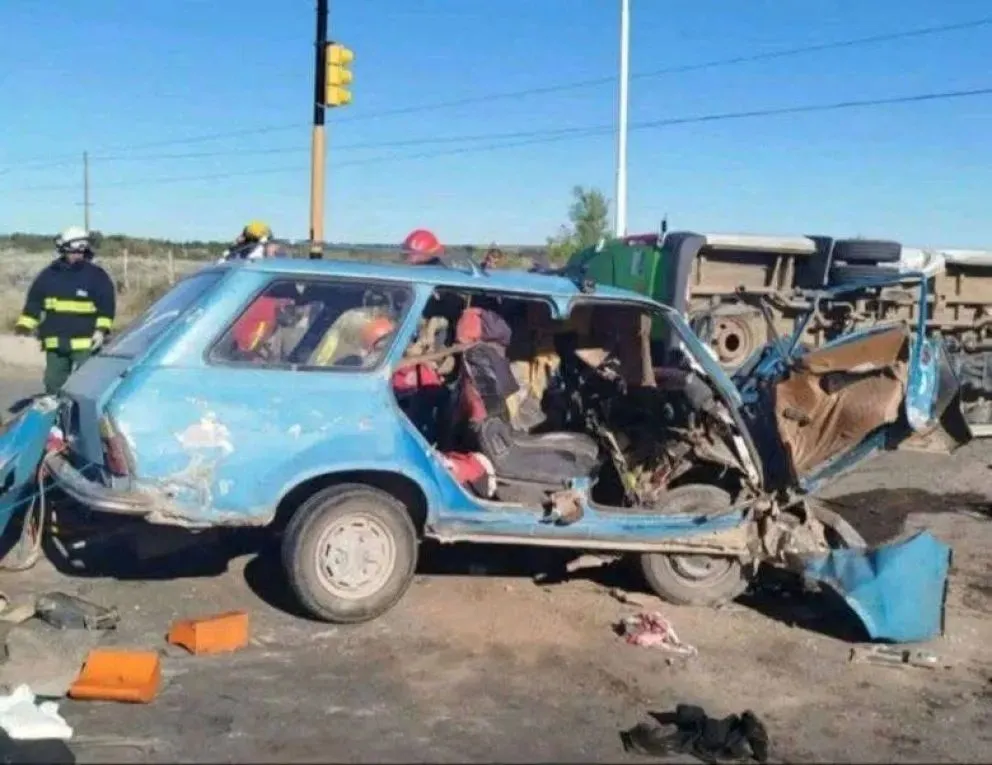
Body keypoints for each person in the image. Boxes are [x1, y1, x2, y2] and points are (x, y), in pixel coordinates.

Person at [14, 226, 116, 394]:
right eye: (73, 251)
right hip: (55, 344)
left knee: (87, 385)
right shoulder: (48, 275)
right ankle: (56, 408)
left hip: (85, 344)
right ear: (63, 249)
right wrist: (23, 328)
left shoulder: (97, 276)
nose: (77, 254)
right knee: (52, 383)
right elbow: (34, 303)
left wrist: (101, 330)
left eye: (81, 251)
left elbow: (106, 306)